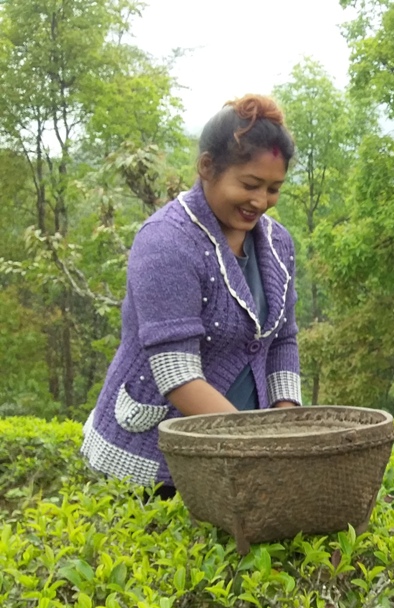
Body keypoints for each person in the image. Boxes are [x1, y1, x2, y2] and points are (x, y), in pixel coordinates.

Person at [81, 95, 302, 496]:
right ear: (206, 168)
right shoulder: (167, 242)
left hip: (243, 453)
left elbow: (282, 338)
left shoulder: (278, 244)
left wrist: (284, 427)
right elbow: (176, 374)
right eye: (249, 184)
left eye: (273, 189)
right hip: (155, 463)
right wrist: (259, 445)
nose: (260, 201)